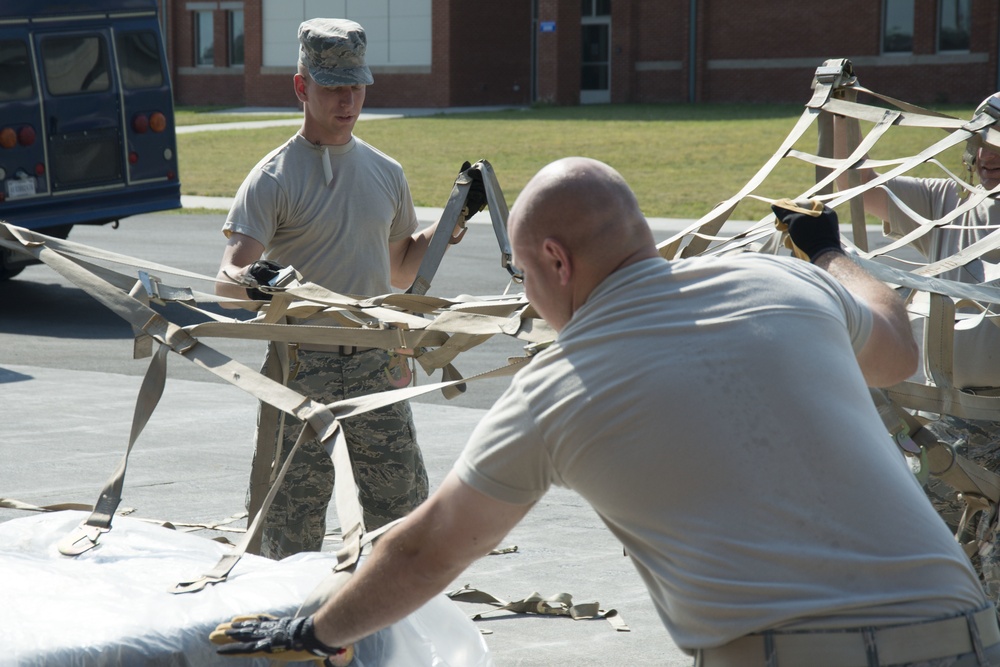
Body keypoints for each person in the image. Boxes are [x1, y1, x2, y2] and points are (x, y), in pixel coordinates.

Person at [211, 157, 1000, 666]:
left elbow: (429, 549)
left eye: (524, 274)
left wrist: (317, 630)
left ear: (556, 260)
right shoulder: (780, 284)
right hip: (965, 626)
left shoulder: (557, 388)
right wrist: (829, 253)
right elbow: (899, 348)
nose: (529, 295)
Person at [214, 18, 465, 560]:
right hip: (301, 370)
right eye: (332, 87)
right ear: (302, 87)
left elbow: (398, 270)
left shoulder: (385, 171)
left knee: (402, 521)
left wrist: (442, 230)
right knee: (289, 532)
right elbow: (228, 286)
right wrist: (261, 282)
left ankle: (394, 631)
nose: (347, 100)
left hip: (379, 366)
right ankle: (288, 635)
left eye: (356, 86)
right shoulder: (273, 178)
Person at [834, 94, 1000, 599]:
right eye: (980, 149)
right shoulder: (946, 202)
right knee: (928, 539)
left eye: (998, 150)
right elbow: (854, 187)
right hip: (949, 416)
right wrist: (841, 110)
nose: (986, 159)